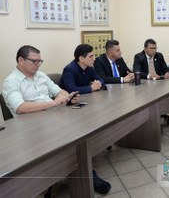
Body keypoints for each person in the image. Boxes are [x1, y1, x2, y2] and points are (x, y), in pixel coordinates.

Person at [1, 45, 111, 196]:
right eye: (34, 61)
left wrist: (67, 96)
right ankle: (88, 175)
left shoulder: (41, 76)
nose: (38, 65)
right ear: (21, 60)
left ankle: (81, 170)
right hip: (31, 128)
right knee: (72, 139)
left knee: (82, 128)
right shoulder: (11, 82)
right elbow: (21, 108)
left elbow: (59, 90)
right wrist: (52, 103)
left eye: (40, 61)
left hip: (53, 118)